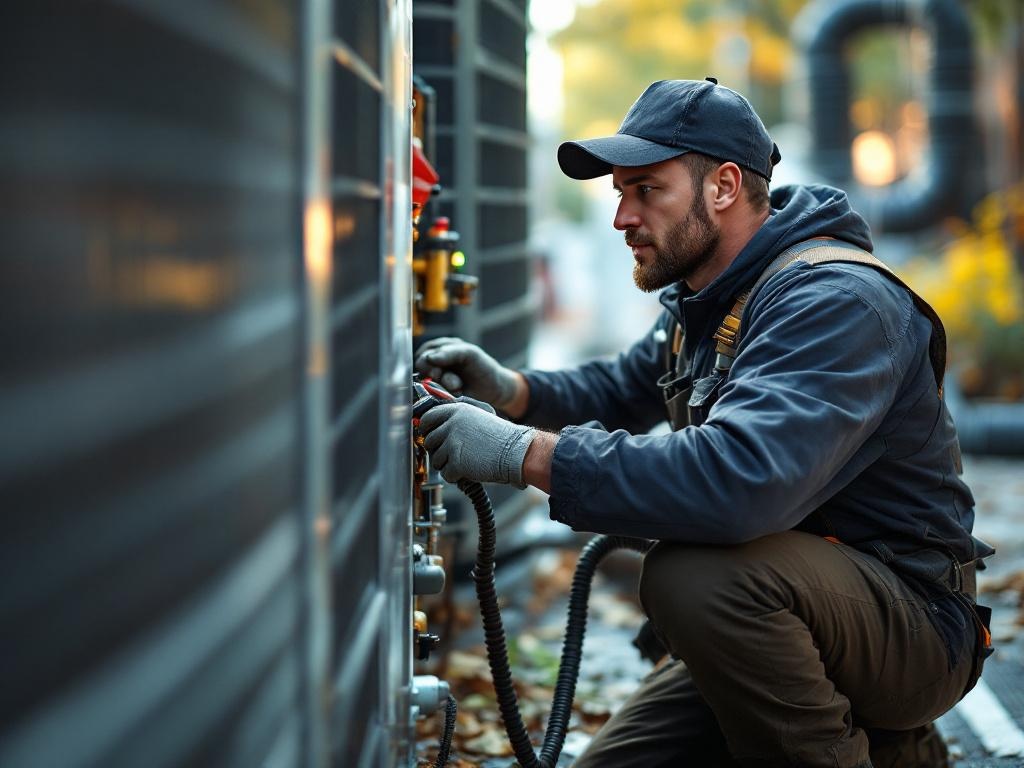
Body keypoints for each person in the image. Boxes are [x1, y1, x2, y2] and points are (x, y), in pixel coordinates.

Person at [415, 78, 993, 767]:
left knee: (695, 577)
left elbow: (738, 483)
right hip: (798, 614)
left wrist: (520, 452)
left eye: (646, 190)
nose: (622, 217)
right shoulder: (713, 300)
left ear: (722, 187)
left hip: (912, 628)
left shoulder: (835, 302)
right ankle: (890, 748)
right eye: (619, 193)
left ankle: (880, 729)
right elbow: (620, 386)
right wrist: (510, 391)